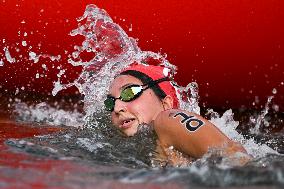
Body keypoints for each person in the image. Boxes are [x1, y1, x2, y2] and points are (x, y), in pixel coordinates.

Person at [104, 62, 250, 166]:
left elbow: (237, 158)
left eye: (129, 92)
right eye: (110, 102)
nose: (117, 108)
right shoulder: (144, 147)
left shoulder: (167, 119)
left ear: (165, 103)